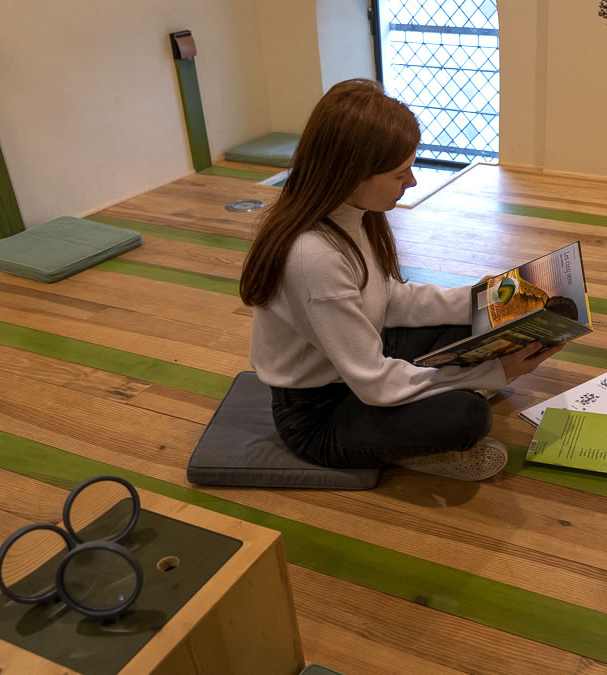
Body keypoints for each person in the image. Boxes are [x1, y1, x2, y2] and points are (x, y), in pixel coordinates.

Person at [239, 79, 564, 481]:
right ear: (353, 174)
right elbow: (374, 383)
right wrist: (495, 374)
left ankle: (446, 391)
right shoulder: (313, 256)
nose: (411, 182)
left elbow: (390, 299)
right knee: (468, 416)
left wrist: (483, 299)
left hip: (361, 358)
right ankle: (411, 448)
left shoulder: (351, 214)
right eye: (400, 173)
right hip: (318, 414)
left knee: (478, 322)